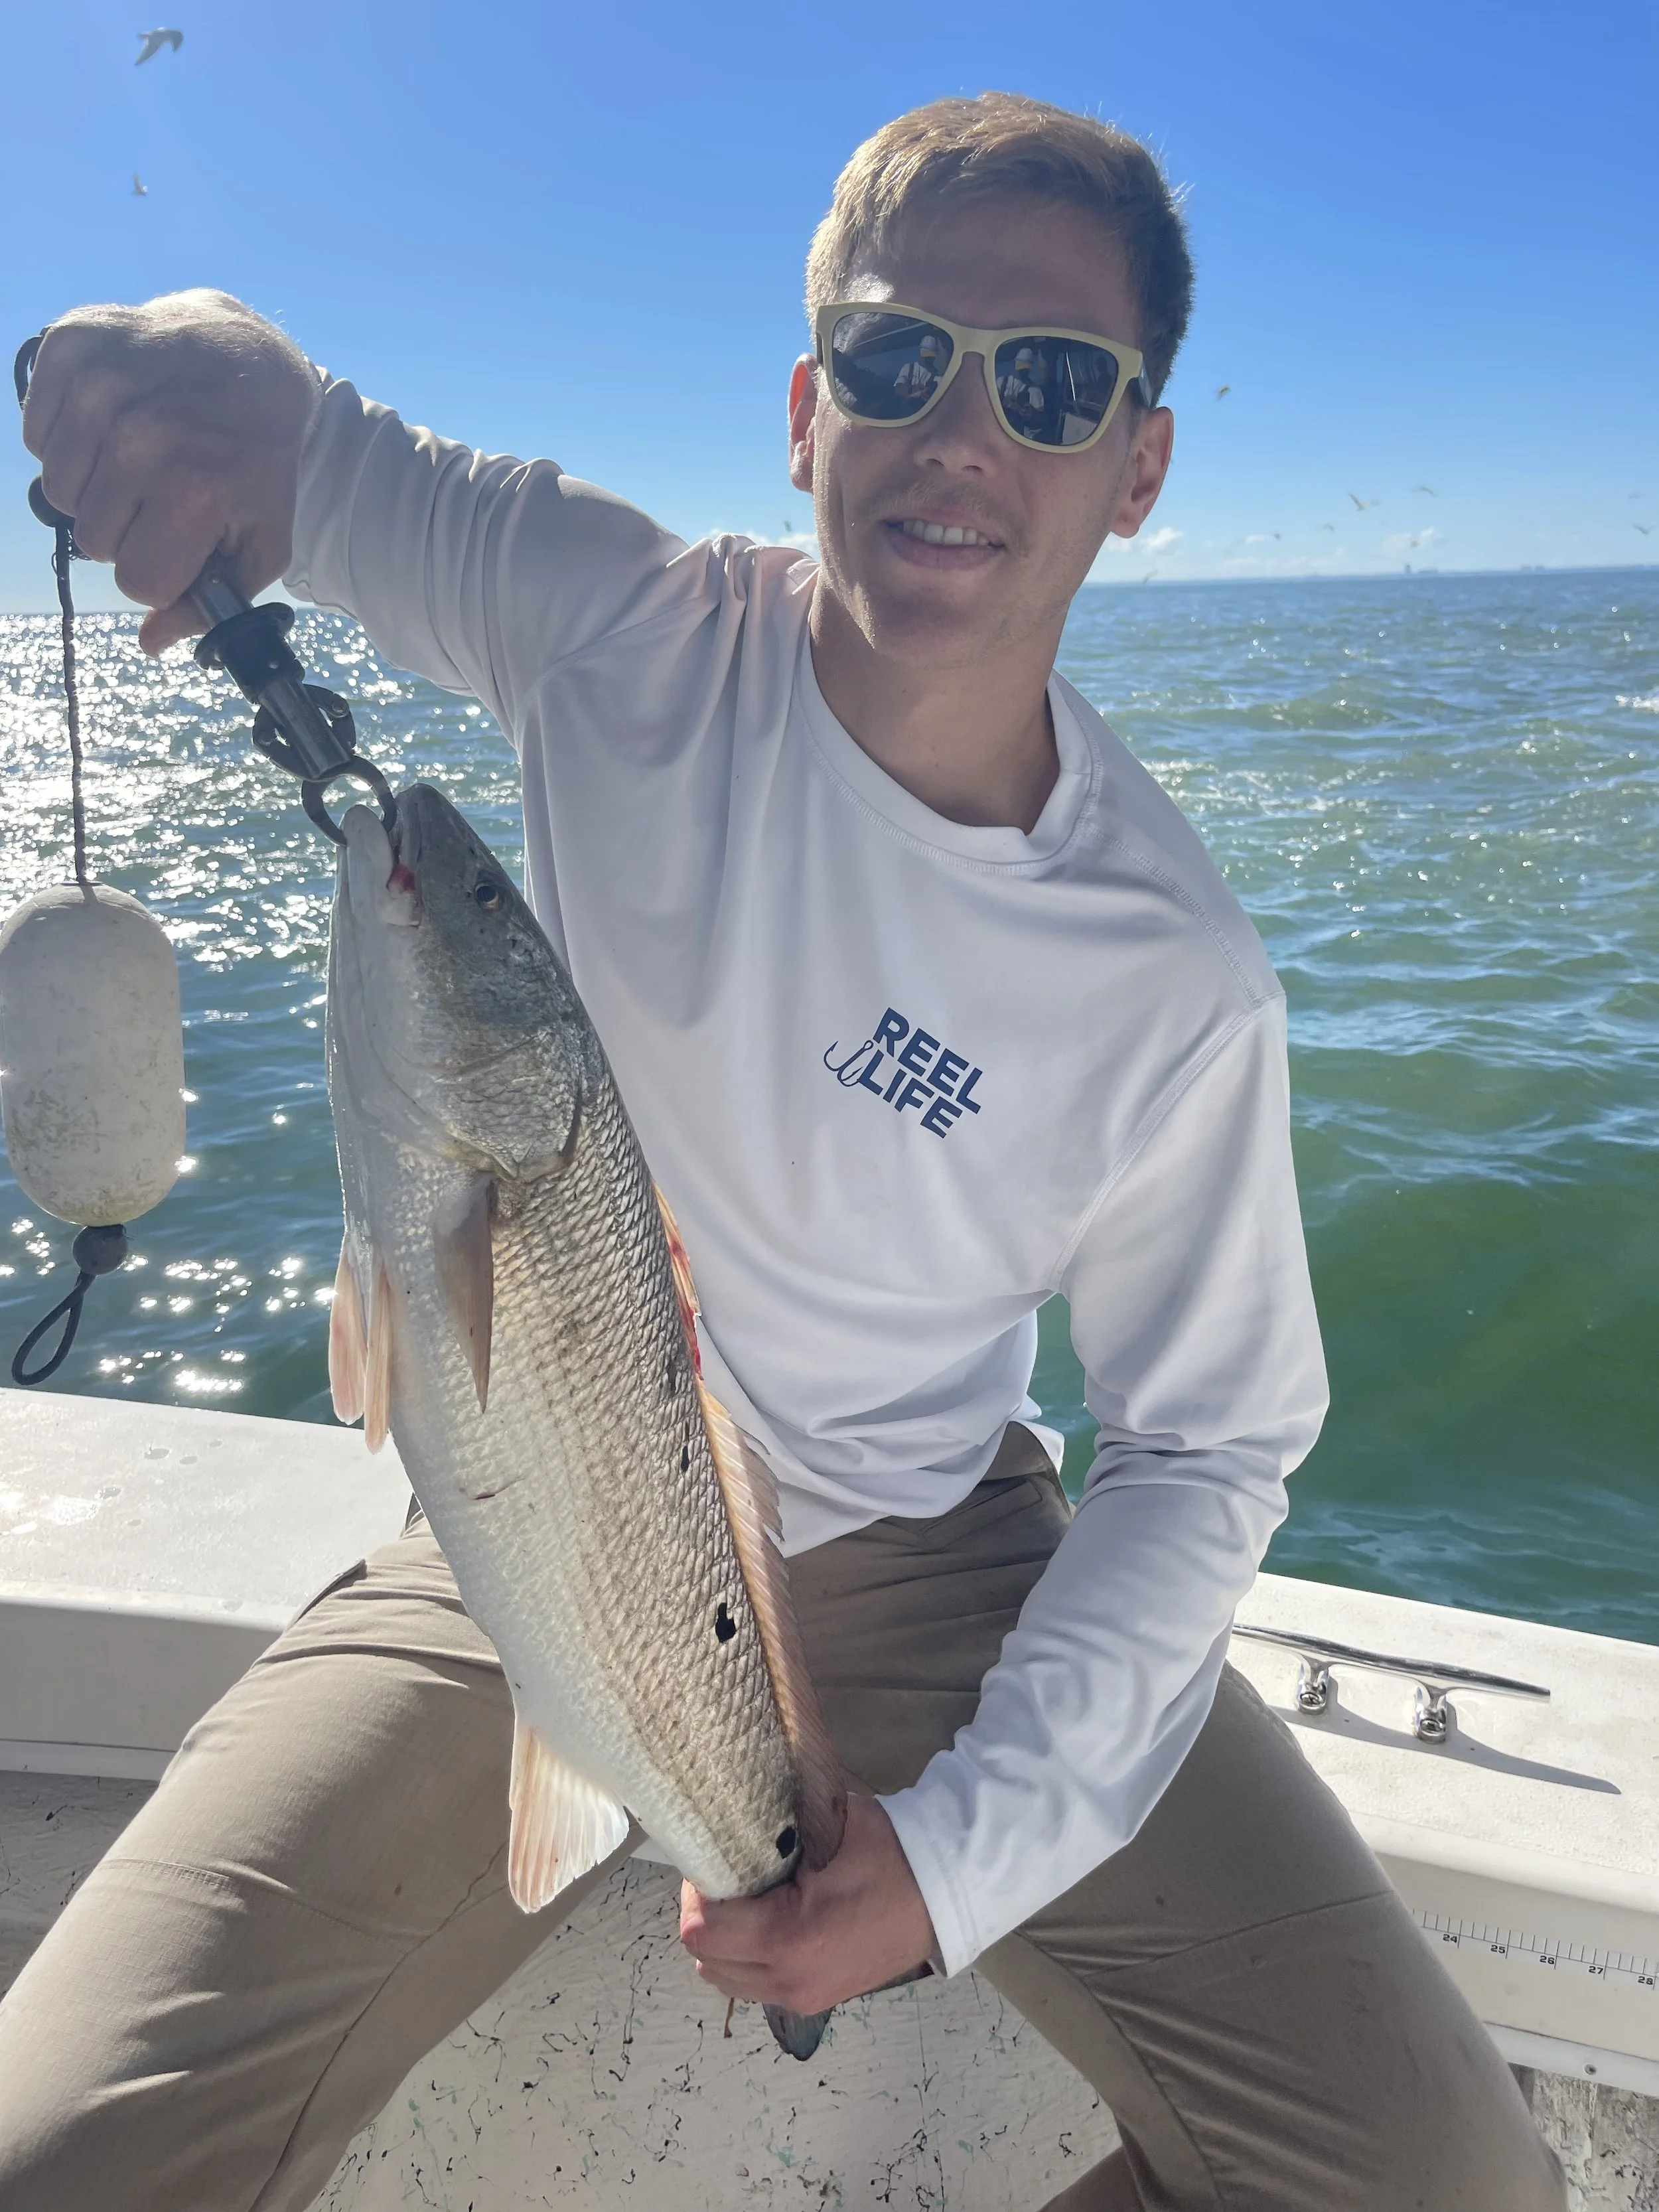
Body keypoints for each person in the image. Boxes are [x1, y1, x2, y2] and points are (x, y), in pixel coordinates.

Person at [0, 92, 1564, 2212]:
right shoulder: (616, 623)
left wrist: (954, 1853)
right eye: (901, 359)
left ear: (1141, 466)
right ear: (806, 406)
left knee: (1442, 2181)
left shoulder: (1171, 970)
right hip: (516, 1535)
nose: (962, 435)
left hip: (946, 1559)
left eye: (1052, 385)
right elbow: (290, 431)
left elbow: (1201, 1451)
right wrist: (145, 376)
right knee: (56, 2148)